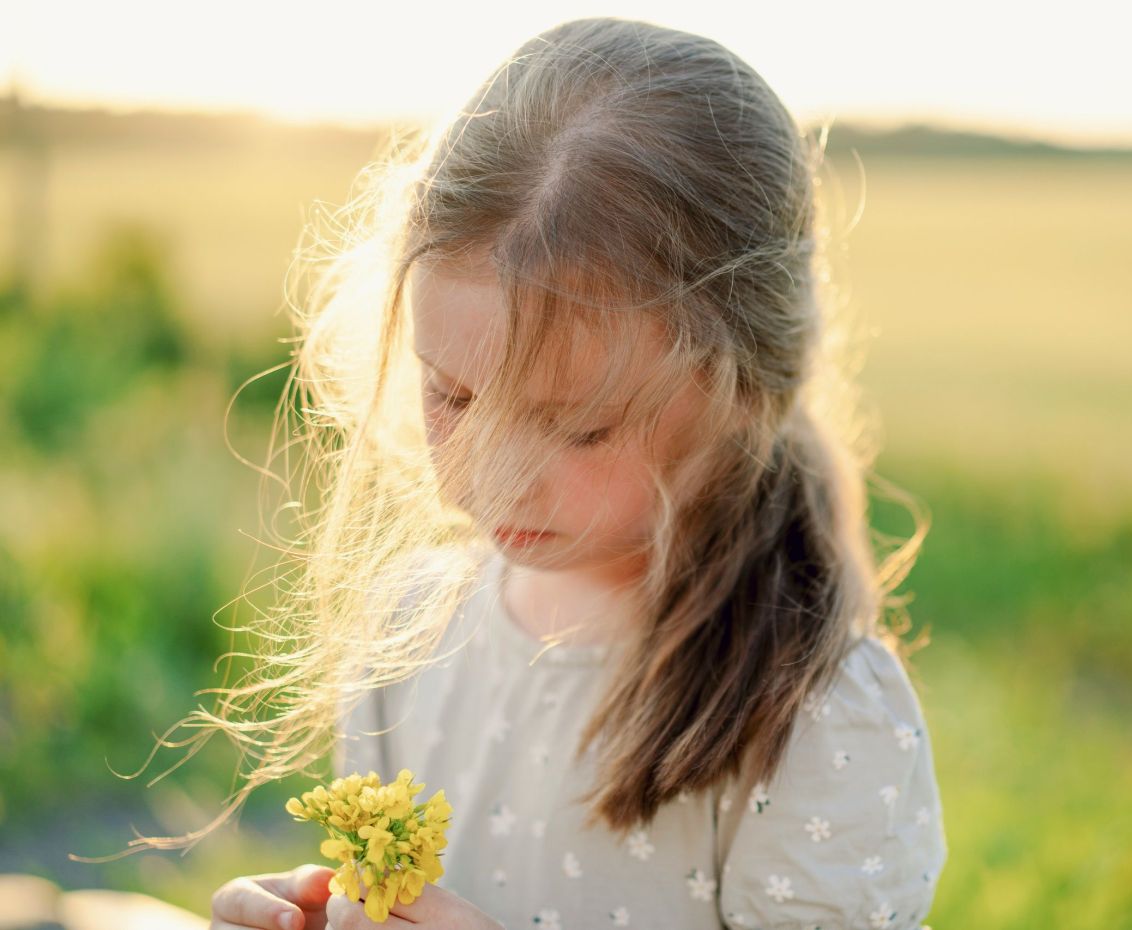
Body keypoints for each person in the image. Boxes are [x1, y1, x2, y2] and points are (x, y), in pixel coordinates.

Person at [200, 15, 948, 930]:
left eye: (580, 427)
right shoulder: (409, 631)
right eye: (455, 396)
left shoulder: (816, 722)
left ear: (743, 391)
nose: (494, 477)